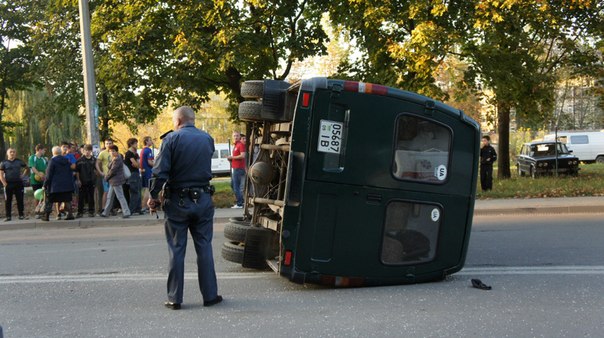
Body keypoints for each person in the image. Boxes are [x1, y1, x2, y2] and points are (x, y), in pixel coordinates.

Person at [147, 106, 222, 310]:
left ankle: (175, 299)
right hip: (204, 199)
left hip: (178, 202)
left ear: (178, 121)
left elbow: (160, 172)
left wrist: (152, 197)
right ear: (192, 119)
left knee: (177, 249)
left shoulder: (171, 140)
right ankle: (210, 296)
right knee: (204, 247)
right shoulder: (207, 138)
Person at [42, 146, 75, 221]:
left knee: (49, 200)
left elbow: (48, 175)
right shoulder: (67, 160)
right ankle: (70, 214)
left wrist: (45, 184)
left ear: (53, 152)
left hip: (55, 186)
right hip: (67, 185)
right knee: (67, 200)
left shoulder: (52, 161)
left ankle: (46, 216)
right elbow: (71, 170)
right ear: (60, 152)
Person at [100, 145, 131, 218]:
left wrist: (106, 178)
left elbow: (112, 171)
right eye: (110, 151)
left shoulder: (117, 159)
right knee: (110, 197)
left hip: (116, 181)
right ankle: (105, 212)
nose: (112, 152)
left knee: (120, 197)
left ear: (117, 152)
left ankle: (126, 212)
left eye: (113, 151)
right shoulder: (114, 159)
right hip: (113, 181)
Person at [0, 148, 28, 221]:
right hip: (8, 184)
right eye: (10, 152)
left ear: (16, 153)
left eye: (14, 152)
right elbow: (1, 175)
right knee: (8, 200)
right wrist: (4, 183)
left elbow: (26, 168)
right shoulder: (3, 163)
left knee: (20, 200)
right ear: (7, 153)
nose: (12, 153)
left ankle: (21, 215)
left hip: (18, 183)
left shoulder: (19, 161)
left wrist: (23, 175)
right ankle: (8, 216)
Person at [75, 144, 97, 217]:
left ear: (91, 151)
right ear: (83, 151)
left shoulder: (94, 159)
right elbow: (77, 171)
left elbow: (96, 169)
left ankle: (91, 211)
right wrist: (78, 180)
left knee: (91, 197)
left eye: (89, 150)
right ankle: (80, 212)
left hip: (91, 181)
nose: (87, 152)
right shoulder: (79, 160)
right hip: (82, 180)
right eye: (86, 150)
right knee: (81, 197)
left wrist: (95, 176)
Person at [227, 131, 246, 208]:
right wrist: (230, 159)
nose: (235, 137)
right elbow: (237, 157)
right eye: (234, 136)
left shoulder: (240, 144)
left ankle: (239, 203)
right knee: (232, 185)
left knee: (236, 186)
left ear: (239, 137)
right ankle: (241, 201)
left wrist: (232, 157)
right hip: (235, 168)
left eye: (237, 136)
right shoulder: (235, 145)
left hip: (239, 168)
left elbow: (242, 155)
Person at [124, 137, 142, 215]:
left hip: (136, 173)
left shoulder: (136, 153)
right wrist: (137, 165)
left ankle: (138, 209)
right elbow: (135, 164)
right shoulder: (129, 153)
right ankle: (131, 209)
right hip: (132, 174)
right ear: (131, 144)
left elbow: (138, 164)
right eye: (135, 143)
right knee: (134, 192)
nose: (137, 145)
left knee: (138, 191)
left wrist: (137, 165)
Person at [29, 144, 48, 217]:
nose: (44, 151)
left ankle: (42, 211)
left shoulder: (44, 159)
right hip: (35, 180)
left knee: (44, 196)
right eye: (44, 150)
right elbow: (33, 168)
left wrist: (45, 176)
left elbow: (46, 169)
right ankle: (37, 212)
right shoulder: (32, 157)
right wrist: (39, 174)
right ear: (40, 150)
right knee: (37, 196)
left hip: (43, 180)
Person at [95, 138, 114, 214]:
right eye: (107, 143)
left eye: (110, 143)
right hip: (106, 176)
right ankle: (103, 208)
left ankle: (111, 208)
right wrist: (100, 172)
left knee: (113, 193)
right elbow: (97, 163)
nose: (108, 145)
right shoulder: (102, 153)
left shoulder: (114, 152)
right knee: (106, 192)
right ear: (105, 144)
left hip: (114, 176)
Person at [140, 136, 155, 212]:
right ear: (146, 141)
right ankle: (144, 206)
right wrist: (156, 165)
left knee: (147, 189)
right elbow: (150, 162)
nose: (151, 141)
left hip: (144, 172)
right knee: (148, 189)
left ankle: (144, 206)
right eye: (150, 140)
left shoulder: (142, 150)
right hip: (148, 172)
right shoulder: (148, 150)